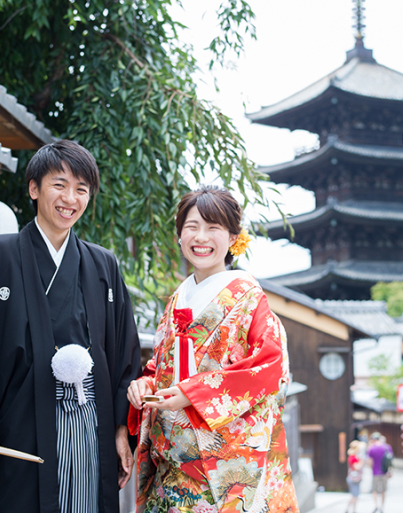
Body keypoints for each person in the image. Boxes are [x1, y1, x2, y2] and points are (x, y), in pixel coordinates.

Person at [0, 140, 141, 513]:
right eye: (59, 184)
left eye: (81, 189)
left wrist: (123, 428)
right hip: (20, 429)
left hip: (91, 429)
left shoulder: (104, 265)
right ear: (34, 188)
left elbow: (125, 357)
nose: (70, 198)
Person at [126, 186, 298, 512]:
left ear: (233, 237)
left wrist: (192, 393)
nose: (200, 237)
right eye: (191, 226)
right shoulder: (178, 298)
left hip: (220, 474)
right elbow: (162, 369)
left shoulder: (247, 298)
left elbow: (270, 368)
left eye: (213, 227)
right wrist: (145, 385)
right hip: (170, 467)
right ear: (179, 236)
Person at [367, 433, 393, 513]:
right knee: (383, 490)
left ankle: (376, 505)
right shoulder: (387, 447)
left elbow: (370, 462)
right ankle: (382, 506)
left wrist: (372, 469)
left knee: (374, 490)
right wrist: (390, 471)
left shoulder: (371, 448)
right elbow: (390, 460)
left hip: (375, 472)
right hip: (384, 472)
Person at [346, 441, 365, 513]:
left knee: (353, 495)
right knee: (355, 495)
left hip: (352, 478)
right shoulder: (353, 457)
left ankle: (348, 509)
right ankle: (353, 510)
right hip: (354, 478)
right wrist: (362, 462)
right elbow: (357, 467)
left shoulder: (352, 456)